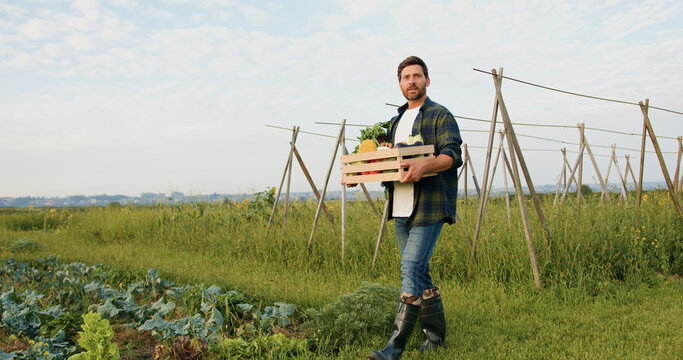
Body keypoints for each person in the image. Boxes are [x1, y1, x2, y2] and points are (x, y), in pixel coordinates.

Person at [368, 56, 463, 360]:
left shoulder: (439, 115)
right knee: (420, 272)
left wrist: (425, 165)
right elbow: (388, 165)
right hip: (401, 207)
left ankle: (394, 347)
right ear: (399, 83)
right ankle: (435, 339)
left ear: (427, 81)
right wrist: (359, 174)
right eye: (406, 77)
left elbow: (452, 155)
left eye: (417, 76)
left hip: (430, 205)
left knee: (409, 268)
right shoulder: (394, 123)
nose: (412, 81)